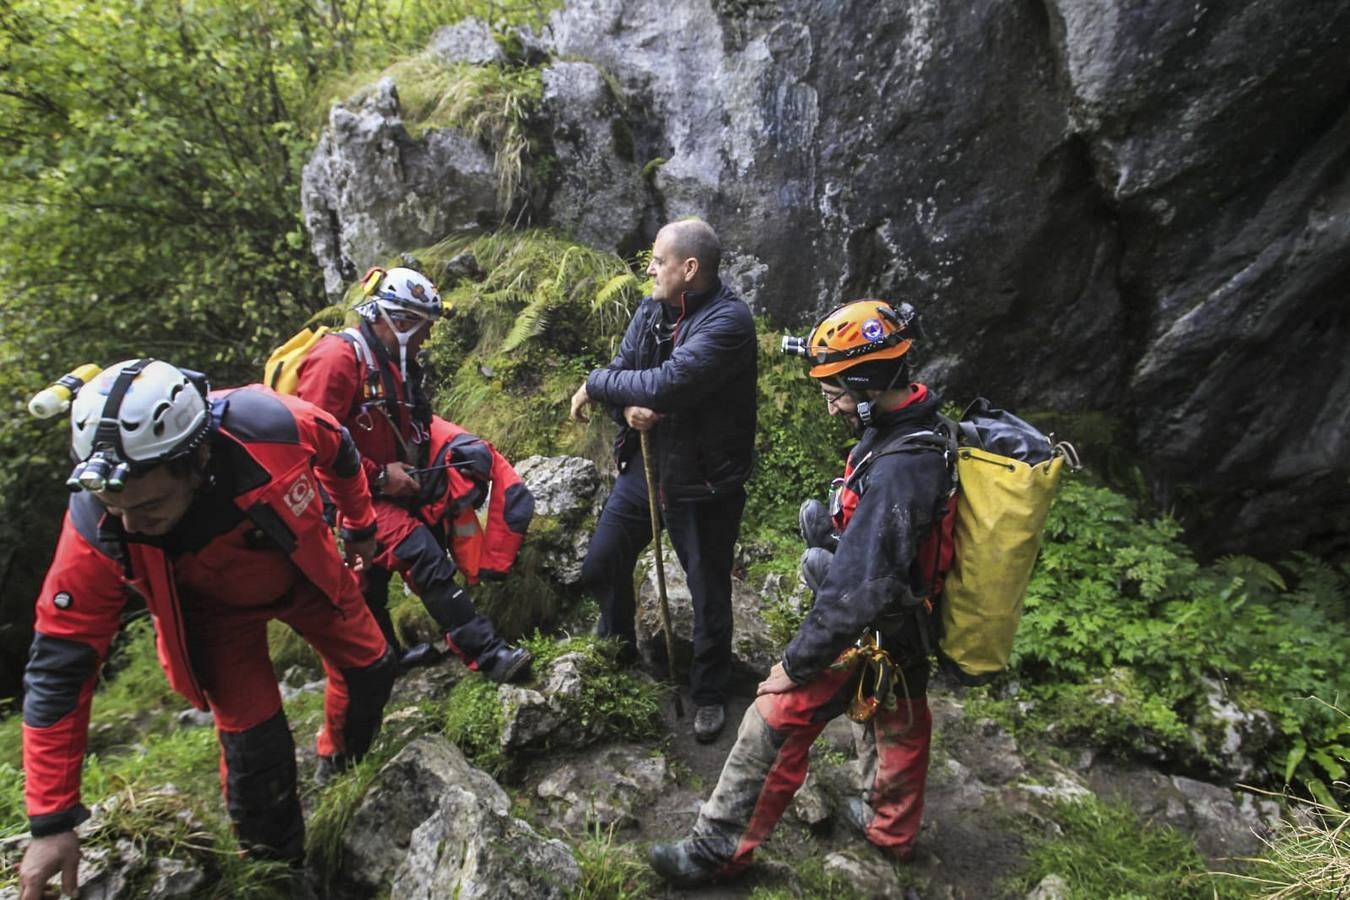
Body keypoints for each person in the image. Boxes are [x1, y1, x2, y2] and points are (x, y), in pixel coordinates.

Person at [19, 359, 395, 898]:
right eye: (115, 507)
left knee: (372, 672)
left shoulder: (272, 425)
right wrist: (51, 820)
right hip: (212, 620)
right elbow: (61, 661)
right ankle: (278, 873)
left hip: (307, 574)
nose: (130, 524)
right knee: (254, 751)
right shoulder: (96, 527)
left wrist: (358, 524)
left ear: (196, 458)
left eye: (147, 505)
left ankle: (338, 761)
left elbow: (339, 448)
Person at [648, 299, 951, 886]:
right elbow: (892, 547)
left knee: (776, 715)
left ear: (865, 384)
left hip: (874, 623)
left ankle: (716, 849)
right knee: (898, 716)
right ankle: (890, 829)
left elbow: (862, 584)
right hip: (910, 620)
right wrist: (840, 532)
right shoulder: (915, 427)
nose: (829, 401)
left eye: (833, 389)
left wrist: (796, 661)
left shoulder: (901, 466)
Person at [296, 266, 533, 683]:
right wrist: (380, 478)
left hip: (386, 482)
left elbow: (409, 420)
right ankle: (488, 653)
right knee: (419, 552)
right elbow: (315, 449)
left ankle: (386, 656)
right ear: (399, 321)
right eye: (423, 328)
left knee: (369, 576)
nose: (427, 338)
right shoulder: (335, 360)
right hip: (345, 496)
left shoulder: (396, 360)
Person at [569, 219, 757, 743]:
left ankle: (710, 693)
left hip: (704, 485)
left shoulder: (729, 323)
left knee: (707, 593)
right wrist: (624, 408)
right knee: (602, 563)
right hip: (649, 471)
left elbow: (668, 384)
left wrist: (594, 384)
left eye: (658, 260)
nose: (649, 269)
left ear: (689, 269)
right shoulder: (652, 310)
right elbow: (630, 372)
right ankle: (618, 649)